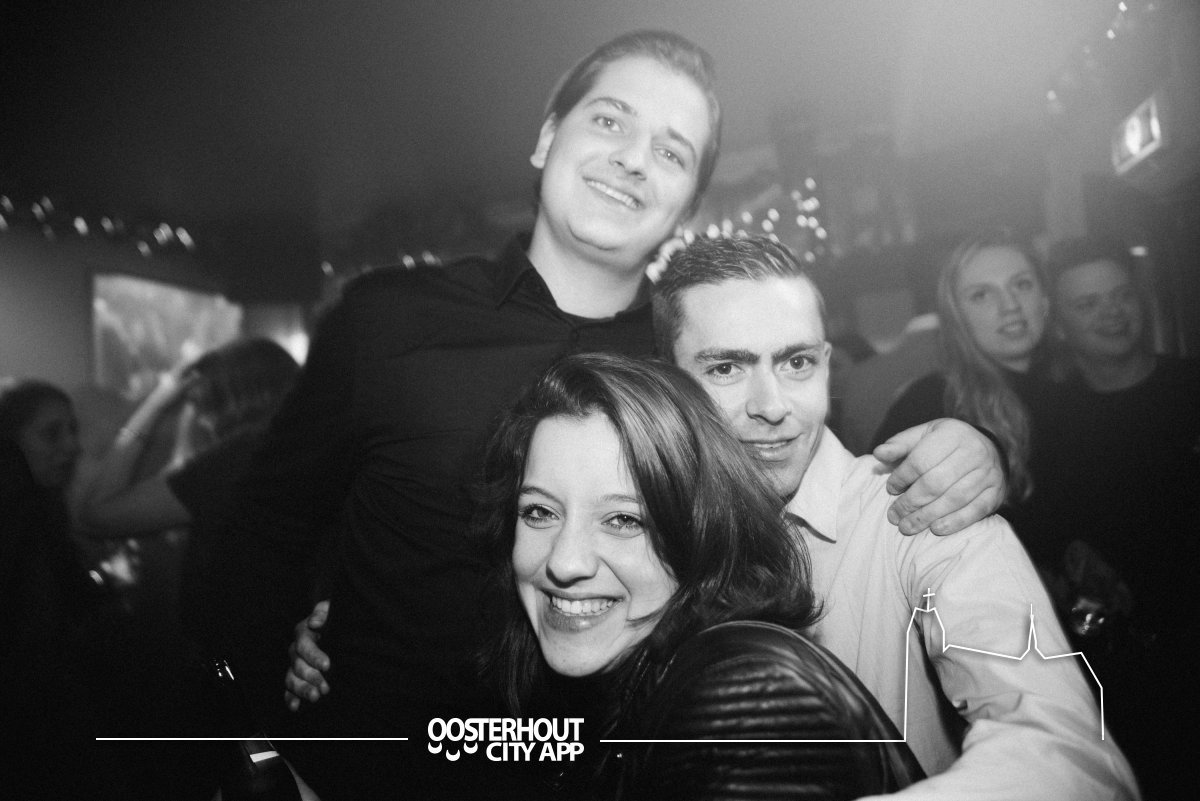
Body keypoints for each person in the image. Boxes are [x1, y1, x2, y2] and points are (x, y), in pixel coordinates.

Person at [240, 30, 1003, 798]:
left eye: (671, 151)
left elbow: (798, 474)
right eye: (609, 121)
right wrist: (274, 701)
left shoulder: (694, 367)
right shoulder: (387, 320)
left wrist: (970, 447)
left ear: (688, 203)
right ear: (547, 138)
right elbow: (259, 532)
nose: (635, 159)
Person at [650, 235, 1138, 799]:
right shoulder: (634, 527)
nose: (773, 405)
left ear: (826, 366)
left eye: (796, 362)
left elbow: (1069, 753)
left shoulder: (922, 508)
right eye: (726, 368)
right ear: (665, 381)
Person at [477, 352, 923, 799]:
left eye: (624, 520)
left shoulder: (744, 702)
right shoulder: (594, 689)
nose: (564, 562)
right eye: (539, 512)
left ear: (700, 537)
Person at [1033, 236, 1200, 800]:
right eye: (1088, 304)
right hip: (1125, 676)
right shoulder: (1048, 422)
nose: (1112, 312)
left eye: (1121, 295)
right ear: (1059, 325)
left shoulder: (1191, 386)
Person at [80, 337, 300, 656]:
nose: (202, 420)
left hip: (235, 659)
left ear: (233, 401)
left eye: (203, 405)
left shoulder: (237, 460)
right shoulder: (295, 451)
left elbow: (98, 515)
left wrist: (156, 403)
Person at [871, 229, 1054, 540]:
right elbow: (877, 524)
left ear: (1045, 299)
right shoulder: (928, 404)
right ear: (956, 316)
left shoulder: (1077, 386)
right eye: (981, 295)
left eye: (1022, 284)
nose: (1010, 305)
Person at [0, 379, 114, 793]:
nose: (72, 446)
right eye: (52, 433)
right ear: (10, 443)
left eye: (73, 430)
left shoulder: (38, 509)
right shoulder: (22, 520)